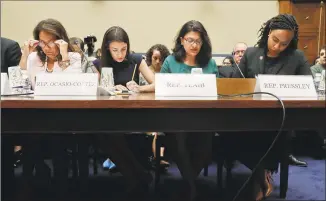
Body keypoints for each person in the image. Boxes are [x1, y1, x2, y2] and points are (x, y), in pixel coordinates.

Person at [230, 14, 311, 201]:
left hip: (279, 119)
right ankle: (262, 175)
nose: (278, 47)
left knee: (269, 134)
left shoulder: (296, 57)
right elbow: (234, 85)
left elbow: (308, 86)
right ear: (267, 33)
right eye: (275, 40)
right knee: (234, 134)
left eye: (284, 43)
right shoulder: (250, 53)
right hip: (248, 118)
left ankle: (258, 182)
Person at [18, 18, 82, 200]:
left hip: (65, 115)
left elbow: (73, 84)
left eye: (50, 42)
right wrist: (25, 56)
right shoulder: (34, 58)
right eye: (42, 42)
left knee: (56, 137)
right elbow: (22, 85)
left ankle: (59, 186)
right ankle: (30, 182)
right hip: (37, 115)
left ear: (60, 39)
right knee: (29, 134)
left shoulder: (73, 57)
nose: (46, 47)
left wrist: (64, 56)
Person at [161, 20, 218, 201]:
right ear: (181, 40)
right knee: (178, 137)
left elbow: (216, 93)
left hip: (203, 118)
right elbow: (161, 89)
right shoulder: (170, 61)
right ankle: (191, 186)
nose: (194, 45)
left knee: (206, 141)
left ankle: (188, 181)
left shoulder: (209, 63)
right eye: (190, 40)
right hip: (174, 117)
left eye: (198, 41)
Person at [97, 26, 155, 200]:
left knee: (110, 135)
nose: (120, 54)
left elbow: (156, 83)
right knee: (102, 135)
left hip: (133, 113)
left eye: (124, 49)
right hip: (108, 113)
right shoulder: (99, 63)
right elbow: (94, 89)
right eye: (115, 50)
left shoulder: (137, 60)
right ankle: (138, 175)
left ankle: (134, 177)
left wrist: (140, 88)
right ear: (107, 48)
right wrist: (108, 88)